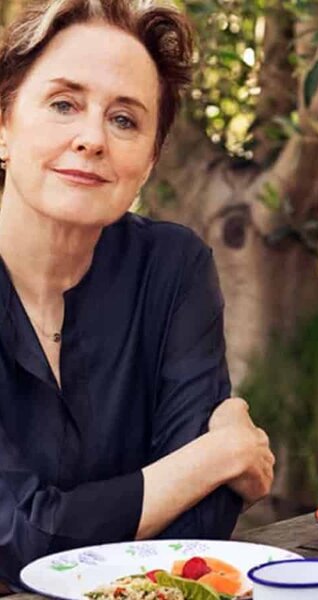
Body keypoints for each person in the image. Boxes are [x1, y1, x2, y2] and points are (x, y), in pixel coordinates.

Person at [0, 0, 275, 591]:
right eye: (63, 104)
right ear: (4, 125)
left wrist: (192, 486)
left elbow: (201, 526)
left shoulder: (172, 269)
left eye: (125, 119)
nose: (92, 139)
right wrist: (214, 457)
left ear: (149, 161)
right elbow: (17, 537)